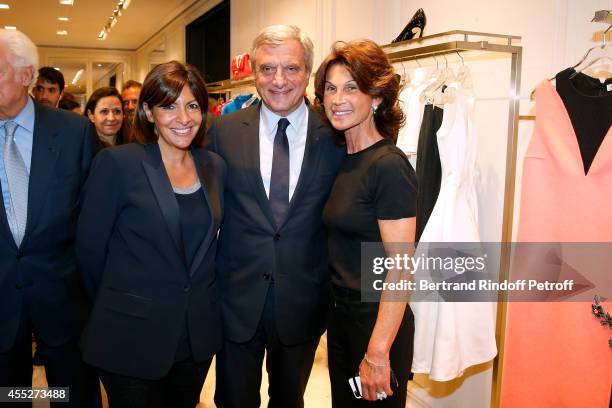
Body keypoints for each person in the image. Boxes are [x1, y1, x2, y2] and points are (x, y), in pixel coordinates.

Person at [207, 24, 345, 408]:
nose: (279, 80)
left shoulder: (336, 135)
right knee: (233, 400)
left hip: (302, 301)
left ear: (308, 73)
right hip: (236, 300)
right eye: (267, 68)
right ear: (254, 72)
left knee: (289, 400)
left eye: (291, 68)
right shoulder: (222, 131)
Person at [76, 60, 225, 408]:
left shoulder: (214, 166)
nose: (183, 118)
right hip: (130, 335)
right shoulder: (118, 164)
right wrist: (123, 301)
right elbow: (89, 254)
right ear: (147, 110)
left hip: (195, 337)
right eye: (169, 106)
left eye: (192, 106)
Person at [314, 39, 417, 407]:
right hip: (342, 321)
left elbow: (402, 268)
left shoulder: (387, 165)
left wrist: (377, 351)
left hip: (375, 327)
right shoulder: (344, 158)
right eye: (330, 88)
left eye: (351, 88)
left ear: (375, 97)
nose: (338, 98)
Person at [0, 29, 99, 407]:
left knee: (70, 392)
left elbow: (92, 219)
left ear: (26, 75)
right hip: (3, 297)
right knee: (11, 395)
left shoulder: (73, 132)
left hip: (63, 297)